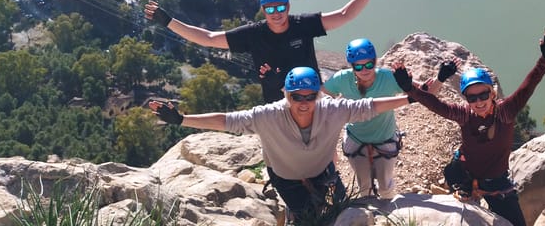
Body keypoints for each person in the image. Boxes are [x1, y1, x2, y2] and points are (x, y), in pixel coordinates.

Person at [148, 67, 411, 222]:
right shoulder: (268, 116)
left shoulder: (332, 109)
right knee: (307, 219)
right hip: (287, 179)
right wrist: (182, 120)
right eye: (297, 96)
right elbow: (227, 121)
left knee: (341, 213)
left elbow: (370, 106)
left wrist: (410, 97)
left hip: (323, 173)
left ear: (318, 94)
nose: (304, 102)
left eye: (310, 96)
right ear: (286, 95)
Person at [144, 0, 388, 103]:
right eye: (271, 8)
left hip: (312, 97)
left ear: (288, 6)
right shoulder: (253, 34)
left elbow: (345, 15)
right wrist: (168, 22)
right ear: (263, 9)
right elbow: (207, 38)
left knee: (323, 150)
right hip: (278, 102)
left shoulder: (303, 25)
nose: (277, 12)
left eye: (281, 6)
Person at [391, 27, 545, 226]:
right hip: (465, 175)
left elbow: (529, 85)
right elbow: (436, 105)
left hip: (497, 183)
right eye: (472, 97)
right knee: (453, 173)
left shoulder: (505, 112)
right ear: (466, 98)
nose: (479, 102)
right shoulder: (464, 114)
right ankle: (463, 189)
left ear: (492, 94)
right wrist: (410, 88)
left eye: (483, 95)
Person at [322, 38, 458, 199]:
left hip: (384, 138)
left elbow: (425, 96)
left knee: (386, 186)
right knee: (364, 187)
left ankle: (387, 216)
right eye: (358, 66)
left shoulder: (387, 77)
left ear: (375, 61)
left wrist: (441, 78)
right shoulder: (341, 79)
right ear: (352, 66)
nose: (364, 70)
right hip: (355, 139)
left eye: (369, 64)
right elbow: (320, 95)